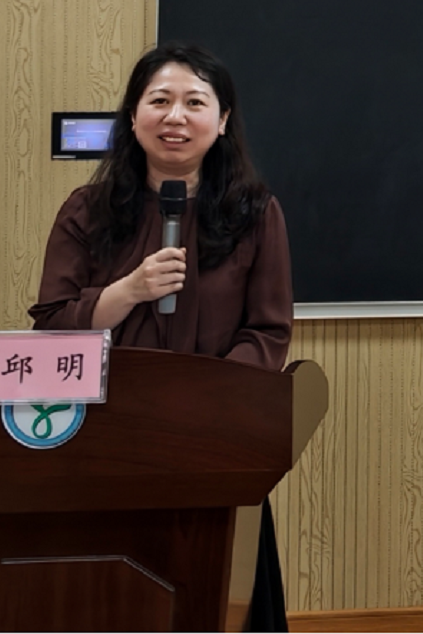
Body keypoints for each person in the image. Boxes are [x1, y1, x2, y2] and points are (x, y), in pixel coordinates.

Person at [31, 43, 293, 631]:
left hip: (212, 440)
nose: (176, 117)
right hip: (107, 440)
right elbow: (49, 328)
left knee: (212, 599)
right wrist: (127, 291)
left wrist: (205, 404)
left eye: (195, 103)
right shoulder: (87, 210)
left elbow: (267, 332)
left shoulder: (254, 213)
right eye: (160, 101)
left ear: (222, 121)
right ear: (133, 115)